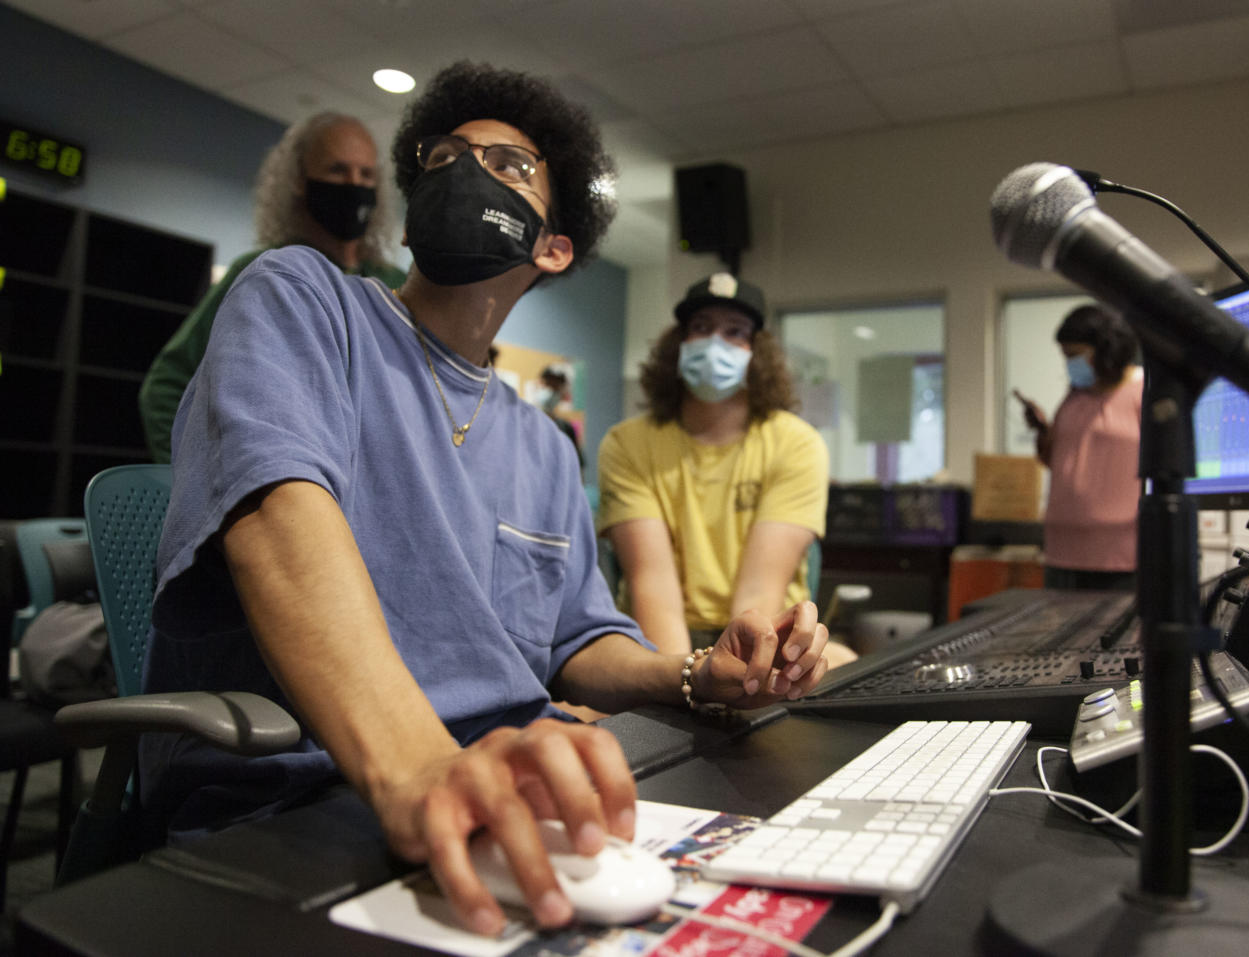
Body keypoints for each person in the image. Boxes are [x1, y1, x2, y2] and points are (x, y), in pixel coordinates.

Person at [141, 62, 832, 937]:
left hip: (510, 782)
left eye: (508, 166)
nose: (463, 173)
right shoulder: (299, 298)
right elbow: (275, 515)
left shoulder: (544, 445)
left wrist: (697, 676)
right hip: (314, 799)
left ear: (552, 246)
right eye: (443, 156)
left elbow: (579, 636)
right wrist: (420, 767)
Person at [597, 273, 855, 665]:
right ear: (679, 343)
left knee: (844, 661)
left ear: (757, 352)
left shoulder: (797, 444)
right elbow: (652, 586)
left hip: (761, 632)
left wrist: (735, 670)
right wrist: (685, 681)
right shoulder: (627, 443)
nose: (716, 342)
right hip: (656, 639)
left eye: (735, 331)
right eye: (701, 327)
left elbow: (760, 593)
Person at [138, 112, 404, 463]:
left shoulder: (395, 287)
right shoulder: (265, 275)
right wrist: (195, 477)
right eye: (337, 170)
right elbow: (168, 384)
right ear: (299, 179)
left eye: (366, 174)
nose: (354, 184)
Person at [1014, 303, 1143, 591]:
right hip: (1061, 551)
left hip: (1119, 557)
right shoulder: (1074, 396)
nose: (1070, 365)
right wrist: (1042, 430)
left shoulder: (1142, 392)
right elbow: (1062, 460)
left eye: (1075, 356)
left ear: (1107, 351)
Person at [537, 361, 584, 465]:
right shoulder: (525, 423)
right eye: (548, 385)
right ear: (540, 384)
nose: (552, 391)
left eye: (556, 387)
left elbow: (577, 466)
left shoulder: (566, 428)